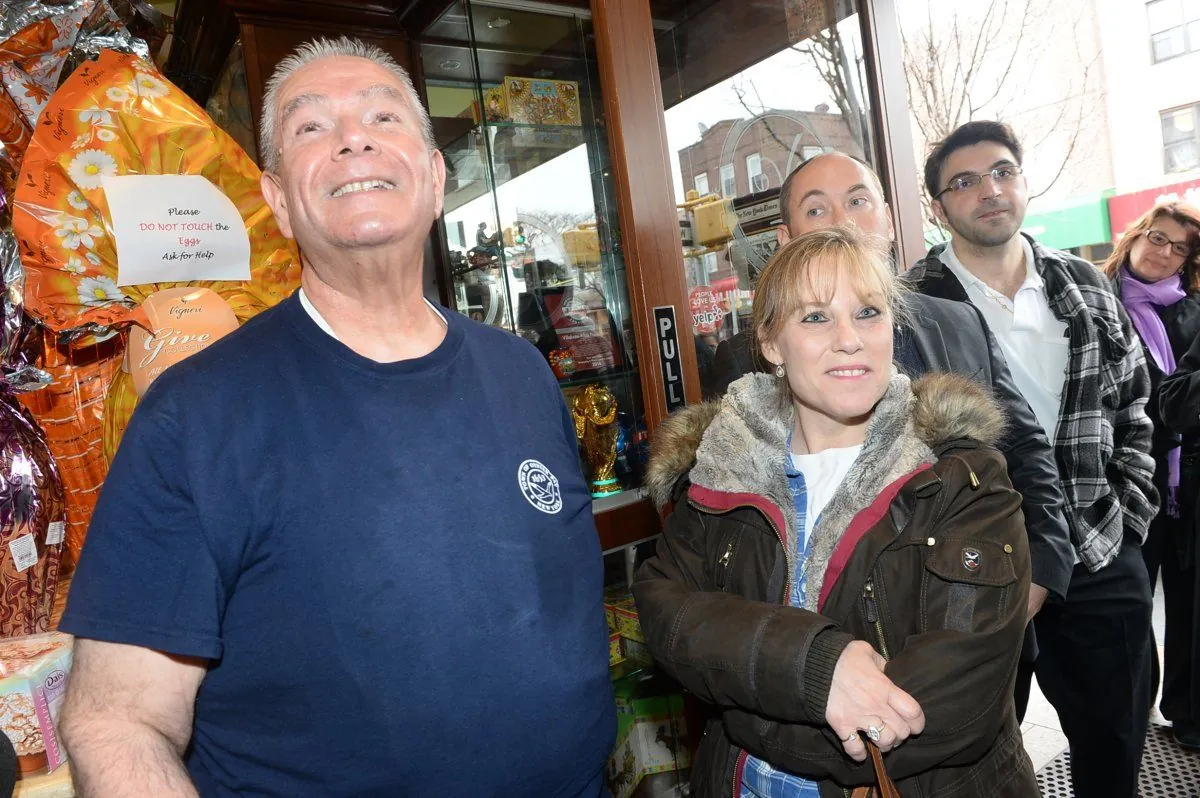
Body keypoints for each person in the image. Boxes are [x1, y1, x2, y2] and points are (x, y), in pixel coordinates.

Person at [56, 37, 614, 797]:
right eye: (311, 128)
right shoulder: (193, 417)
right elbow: (116, 723)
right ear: (279, 200)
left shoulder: (520, 370)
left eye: (383, 116)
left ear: (435, 175)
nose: (354, 136)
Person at [634, 225, 1037, 797]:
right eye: (816, 317)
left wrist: (747, 700)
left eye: (869, 312)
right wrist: (813, 668)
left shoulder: (963, 478)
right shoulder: (720, 472)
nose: (849, 338)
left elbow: (953, 708)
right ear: (772, 343)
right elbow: (666, 615)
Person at [713, 153, 1073, 637]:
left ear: (888, 220)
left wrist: (1041, 574)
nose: (843, 221)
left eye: (859, 201)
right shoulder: (747, 357)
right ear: (785, 239)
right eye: (817, 210)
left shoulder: (959, 322)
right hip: (821, 641)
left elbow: (1024, 447)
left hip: (979, 622)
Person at [906, 119, 1158, 797]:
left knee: (1114, 748)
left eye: (1002, 172)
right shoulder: (914, 308)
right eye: (964, 182)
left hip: (1101, 549)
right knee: (982, 758)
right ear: (938, 206)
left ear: (1022, 181)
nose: (988, 190)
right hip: (979, 562)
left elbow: (1134, 403)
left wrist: (1129, 516)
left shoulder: (1081, 281)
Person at [1103, 201, 1200, 750]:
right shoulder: (1098, 300)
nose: (1164, 253)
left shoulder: (1191, 312)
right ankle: (1131, 716)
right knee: (1132, 604)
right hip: (1125, 481)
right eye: (1157, 238)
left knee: (1185, 602)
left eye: (1179, 247)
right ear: (1136, 235)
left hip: (1184, 485)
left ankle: (1184, 711)